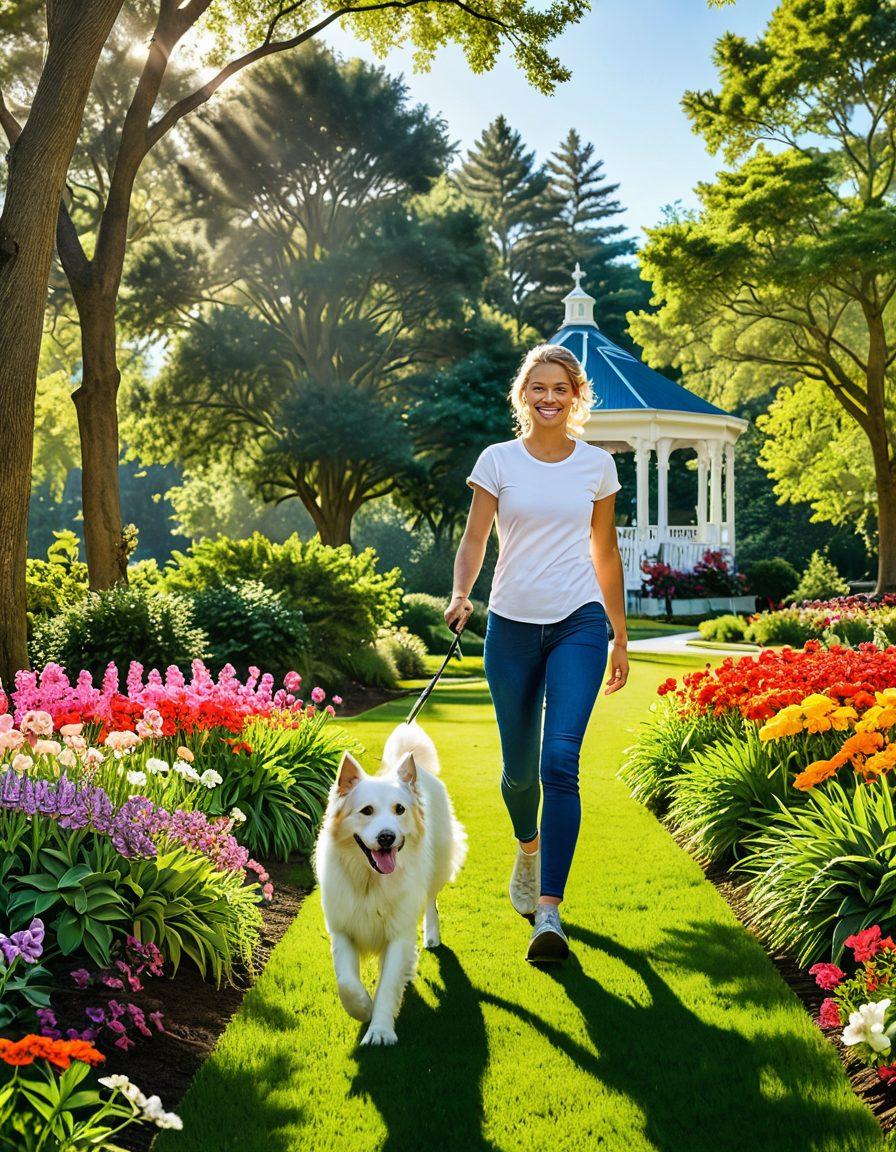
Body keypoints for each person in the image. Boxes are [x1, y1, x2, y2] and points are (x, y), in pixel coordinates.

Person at [444, 343, 629, 963]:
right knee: (519, 773)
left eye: (561, 389)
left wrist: (619, 634)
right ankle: (528, 847)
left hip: (579, 622)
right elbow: (474, 538)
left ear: (577, 397)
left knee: (560, 761)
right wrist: (461, 592)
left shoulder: (597, 467)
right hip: (512, 627)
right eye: (538, 388)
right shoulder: (498, 461)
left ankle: (548, 913)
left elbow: (605, 553)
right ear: (522, 394)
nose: (549, 398)